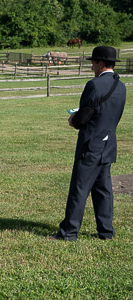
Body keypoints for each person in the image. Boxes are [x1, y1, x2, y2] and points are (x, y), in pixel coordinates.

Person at [51, 46, 126, 241]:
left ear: (101, 64)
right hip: (108, 144)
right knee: (103, 190)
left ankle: (68, 232)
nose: (92, 66)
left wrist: (73, 120)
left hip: (91, 144)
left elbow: (84, 117)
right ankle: (106, 231)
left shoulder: (94, 85)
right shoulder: (121, 86)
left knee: (79, 189)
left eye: (93, 62)